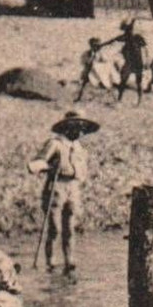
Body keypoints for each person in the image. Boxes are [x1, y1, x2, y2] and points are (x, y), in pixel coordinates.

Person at [28, 111, 98, 273]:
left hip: (73, 188)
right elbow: (37, 163)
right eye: (77, 127)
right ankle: (50, 261)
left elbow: (83, 170)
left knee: (70, 227)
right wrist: (49, 167)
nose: (81, 131)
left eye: (83, 128)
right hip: (56, 186)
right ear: (68, 127)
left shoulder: (80, 148)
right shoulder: (55, 144)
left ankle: (69, 260)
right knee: (55, 228)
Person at [105, 19, 148, 105]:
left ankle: (121, 99)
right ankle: (138, 100)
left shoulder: (128, 37)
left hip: (132, 62)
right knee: (135, 82)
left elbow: (112, 41)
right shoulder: (137, 37)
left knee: (125, 81)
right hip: (136, 62)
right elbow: (145, 50)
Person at [74, 37, 108, 103]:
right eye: (95, 45)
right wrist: (91, 59)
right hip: (88, 71)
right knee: (84, 84)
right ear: (91, 46)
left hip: (98, 73)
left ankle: (104, 99)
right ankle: (79, 97)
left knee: (103, 85)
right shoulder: (87, 53)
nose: (97, 47)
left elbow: (104, 61)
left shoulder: (99, 54)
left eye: (98, 46)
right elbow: (83, 61)